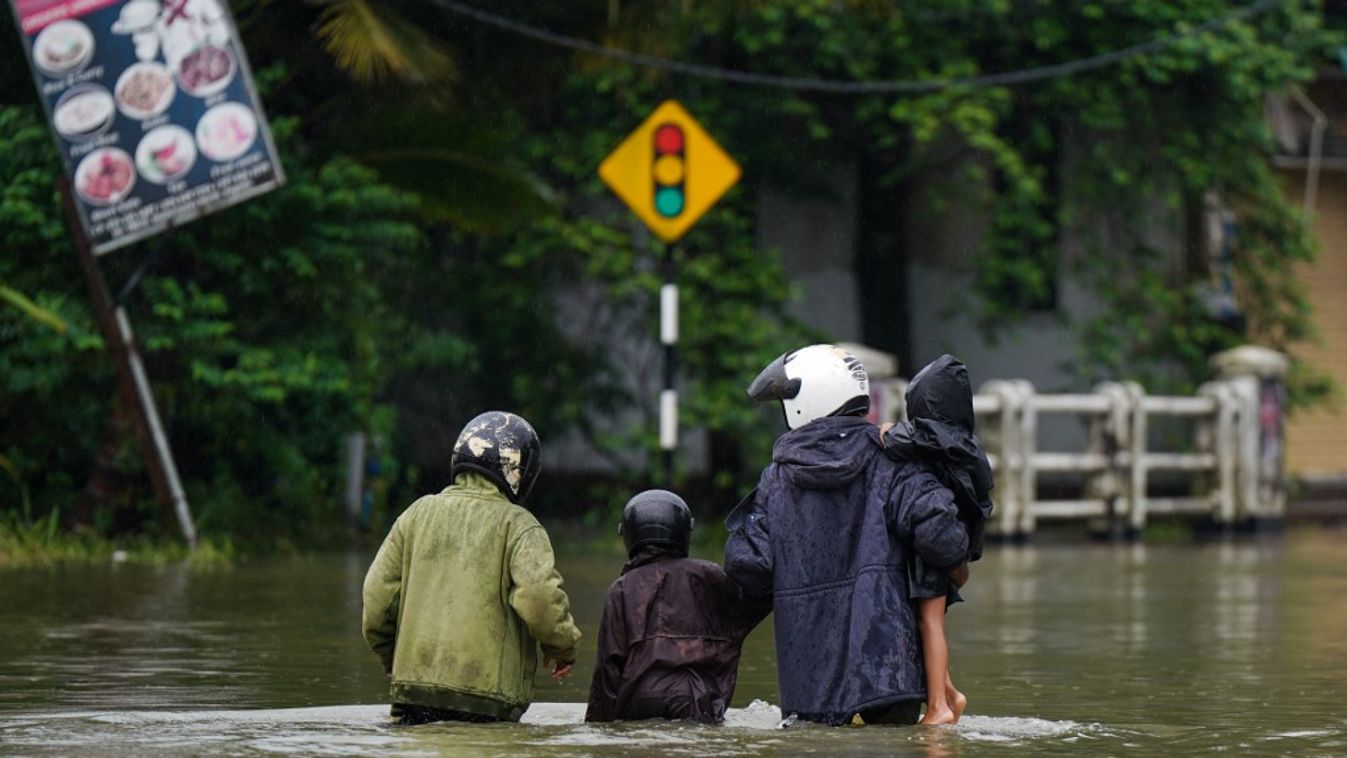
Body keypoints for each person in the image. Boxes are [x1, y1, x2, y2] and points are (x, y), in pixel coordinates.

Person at [726, 344, 970, 726]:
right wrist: (958, 569)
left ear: (804, 402)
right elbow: (943, 537)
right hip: (890, 676)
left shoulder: (776, 480)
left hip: (809, 685)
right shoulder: (893, 458)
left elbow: (749, 567)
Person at [362, 411, 582, 725]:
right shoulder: (519, 525)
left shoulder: (415, 514)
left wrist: (391, 657)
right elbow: (538, 598)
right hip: (486, 700)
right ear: (522, 472)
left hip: (413, 694)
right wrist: (562, 646)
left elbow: (376, 602)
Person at [585, 489, 769, 723]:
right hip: (696, 704)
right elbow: (757, 600)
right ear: (684, 532)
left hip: (634, 704)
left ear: (629, 534)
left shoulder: (621, 589)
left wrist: (596, 727)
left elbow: (607, 670)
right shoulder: (709, 577)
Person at [880, 354, 994, 725]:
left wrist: (886, 431)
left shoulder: (947, 438)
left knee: (930, 622)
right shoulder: (964, 444)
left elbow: (911, 437)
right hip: (944, 545)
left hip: (938, 546)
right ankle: (949, 694)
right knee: (924, 621)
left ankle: (938, 708)